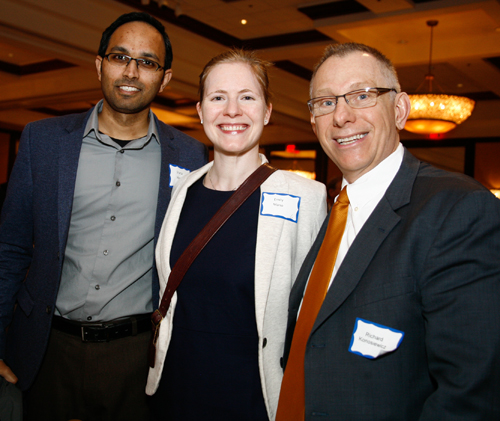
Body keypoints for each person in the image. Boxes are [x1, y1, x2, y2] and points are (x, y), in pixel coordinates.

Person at [0, 11, 207, 421]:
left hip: (136, 355)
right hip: (45, 347)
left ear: (165, 78)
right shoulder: (43, 142)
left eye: (147, 62)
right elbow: (10, 250)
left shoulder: (190, 156)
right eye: (119, 56)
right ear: (99, 64)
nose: (131, 71)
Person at [277, 42, 500, 420]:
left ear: (400, 110)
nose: (342, 116)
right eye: (325, 102)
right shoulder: (330, 210)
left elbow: (471, 393)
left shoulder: (457, 209)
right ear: (313, 120)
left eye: (361, 96)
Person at [146, 49, 327, 420]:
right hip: (174, 390)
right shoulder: (183, 189)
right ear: (200, 112)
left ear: (267, 111)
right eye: (218, 98)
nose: (232, 111)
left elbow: (313, 314)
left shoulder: (305, 196)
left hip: (253, 397)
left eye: (247, 97)